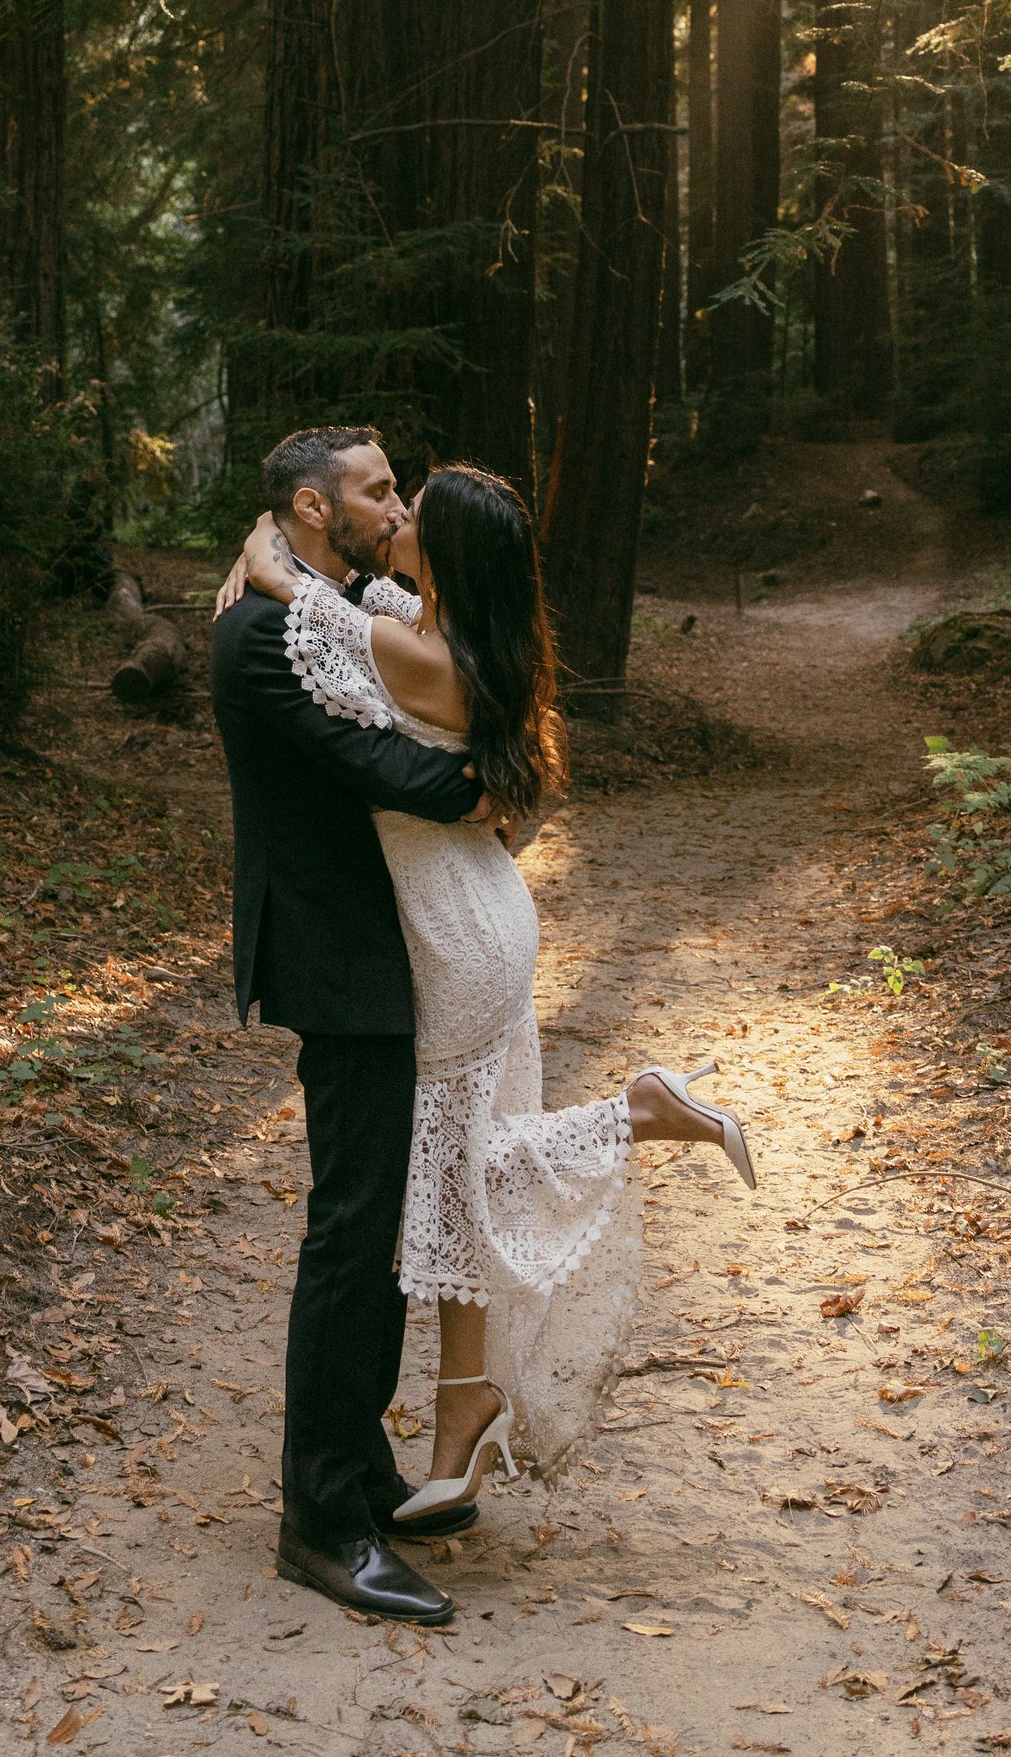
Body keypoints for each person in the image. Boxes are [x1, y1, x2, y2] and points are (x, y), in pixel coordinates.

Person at [218, 450, 755, 1549]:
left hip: (456, 937)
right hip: (477, 919)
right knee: (452, 1169)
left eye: (408, 505)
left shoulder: (396, 644)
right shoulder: (425, 623)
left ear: (445, 556)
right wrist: (274, 548)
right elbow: (338, 604)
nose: (397, 511)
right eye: (384, 494)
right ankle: (456, 1411)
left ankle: (630, 1120)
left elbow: (306, 609)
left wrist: (264, 555)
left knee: (443, 1177)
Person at [210, 426, 501, 1629]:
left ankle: (363, 1470)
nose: (397, 505)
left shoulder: (328, 596)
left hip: (387, 952)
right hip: (339, 956)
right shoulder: (261, 632)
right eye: (379, 490)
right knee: (353, 1232)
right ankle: (319, 1521)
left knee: (381, 1225)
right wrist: (499, 774)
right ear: (315, 506)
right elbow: (387, 769)